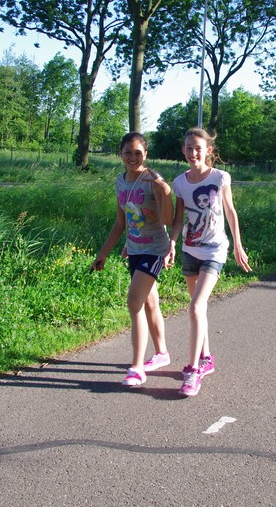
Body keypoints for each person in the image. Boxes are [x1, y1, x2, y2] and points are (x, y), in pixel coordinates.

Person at [170, 128, 251, 397]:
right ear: (183, 150)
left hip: (215, 250)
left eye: (198, 148)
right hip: (190, 250)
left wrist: (238, 245)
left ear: (208, 151)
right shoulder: (180, 182)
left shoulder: (220, 177)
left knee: (195, 306)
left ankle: (193, 370)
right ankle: (206, 358)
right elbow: (178, 219)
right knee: (198, 309)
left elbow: (230, 211)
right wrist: (172, 243)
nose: (193, 152)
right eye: (189, 148)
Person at [91, 132, 174, 387]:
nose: (132, 157)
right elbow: (120, 223)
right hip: (135, 249)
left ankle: (137, 368)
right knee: (149, 303)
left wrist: (165, 193)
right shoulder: (120, 182)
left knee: (134, 301)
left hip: (155, 250)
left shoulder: (153, 180)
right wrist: (103, 253)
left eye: (138, 153)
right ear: (120, 154)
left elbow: (168, 220)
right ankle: (161, 353)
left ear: (145, 154)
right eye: (128, 152)